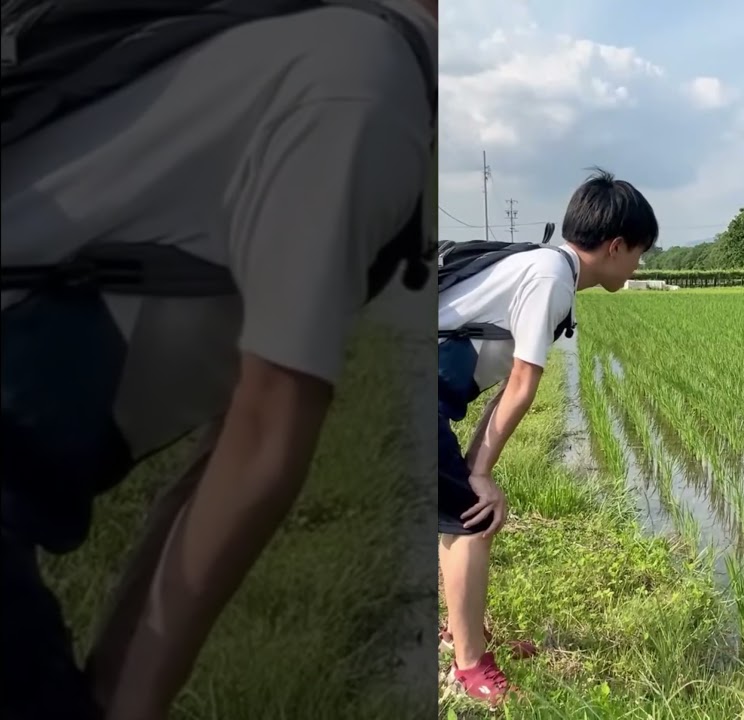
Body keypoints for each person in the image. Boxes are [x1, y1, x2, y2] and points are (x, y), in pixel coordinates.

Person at [0, 2, 437, 718]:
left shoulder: (321, 53)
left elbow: (227, 452)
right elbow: (266, 433)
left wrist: (118, 687)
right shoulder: (364, 83)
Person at [437, 169, 659, 705]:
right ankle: (470, 669)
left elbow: (506, 384)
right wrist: (480, 474)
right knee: (470, 521)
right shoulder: (550, 278)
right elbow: (520, 383)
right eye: (639, 253)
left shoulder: (544, 266)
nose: (639, 265)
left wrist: (474, 468)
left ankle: (461, 632)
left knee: (463, 514)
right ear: (614, 246)